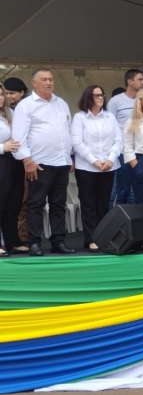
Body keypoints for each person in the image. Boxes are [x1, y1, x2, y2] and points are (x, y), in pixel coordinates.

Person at [12, 68, 76, 256]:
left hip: (61, 163)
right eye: (44, 80)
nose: (48, 83)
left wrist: (70, 156)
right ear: (34, 83)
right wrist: (27, 160)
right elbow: (19, 136)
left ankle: (58, 241)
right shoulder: (26, 106)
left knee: (58, 204)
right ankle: (34, 242)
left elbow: (67, 132)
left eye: (51, 79)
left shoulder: (61, 103)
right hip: (38, 163)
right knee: (36, 204)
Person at [71, 85, 122, 252]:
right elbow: (77, 143)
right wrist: (94, 161)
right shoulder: (80, 118)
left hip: (108, 166)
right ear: (88, 97)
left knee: (103, 204)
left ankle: (103, 237)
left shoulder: (110, 117)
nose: (101, 98)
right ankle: (90, 239)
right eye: (96, 95)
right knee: (88, 204)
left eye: (102, 94)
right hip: (86, 167)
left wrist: (110, 159)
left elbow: (118, 140)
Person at [107, 69, 143, 204]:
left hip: (141, 151)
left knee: (137, 191)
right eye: (140, 79)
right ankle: (117, 222)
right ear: (130, 82)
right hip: (123, 152)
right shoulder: (115, 101)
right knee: (122, 190)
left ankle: (135, 223)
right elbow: (109, 126)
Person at [0, 84, 26, 256]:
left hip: (13, 162)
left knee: (12, 203)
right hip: (2, 158)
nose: (1, 97)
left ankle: (12, 241)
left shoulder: (10, 114)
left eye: (2, 94)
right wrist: (3, 147)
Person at [4, 77, 30, 246]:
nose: (7, 97)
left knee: (19, 202)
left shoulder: (19, 111)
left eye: (10, 93)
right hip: (5, 161)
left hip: (20, 163)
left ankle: (18, 240)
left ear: (22, 93)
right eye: (3, 94)